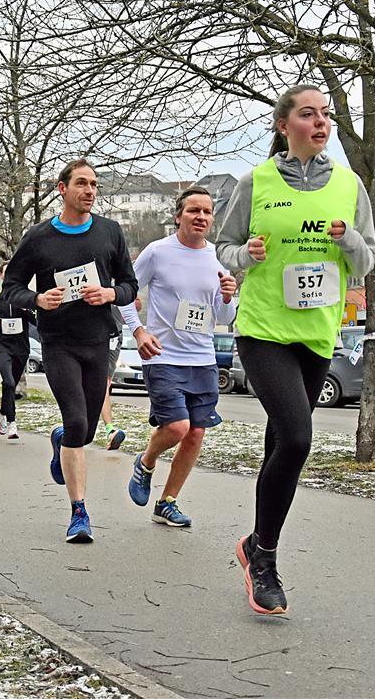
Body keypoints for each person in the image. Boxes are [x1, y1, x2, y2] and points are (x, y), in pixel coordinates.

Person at [217, 84, 375, 614]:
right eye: (309, 115)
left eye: (325, 115)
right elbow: (224, 246)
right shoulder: (254, 182)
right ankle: (264, 558)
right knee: (299, 437)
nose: (321, 123)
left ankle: (252, 542)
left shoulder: (350, 185)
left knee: (279, 445)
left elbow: (366, 262)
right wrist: (246, 254)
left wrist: (348, 239)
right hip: (263, 329)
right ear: (285, 126)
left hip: (316, 333)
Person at [2, 158, 138, 543]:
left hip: (98, 341)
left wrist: (111, 293)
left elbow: (130, 284)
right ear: (62, 189)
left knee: (87, 428)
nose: (90, 190)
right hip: (58, 343)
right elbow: (10, 288)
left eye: (94, 184)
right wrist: (37, 299)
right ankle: (79, 512)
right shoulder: (40, 237)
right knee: (79, 423)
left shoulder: (110, 232)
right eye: (82, 183)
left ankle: (61, 437)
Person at [123, 187, 237, 527]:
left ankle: (167, 501)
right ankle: (145, 462)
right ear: (178, 216)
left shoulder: (216, 257)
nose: (201, 217)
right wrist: (139, 331)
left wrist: (229, 297)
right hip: (163, 356)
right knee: (176, 425)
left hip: (202, 358)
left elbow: (224, 316)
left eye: (207, 211)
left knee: (196, 434)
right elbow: (125, 292)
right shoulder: (157, 252)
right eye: (193, 211)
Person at [0, 260, 33, 440]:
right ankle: (12, 423)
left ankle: (3, 410)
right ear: (1, 275)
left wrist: (29, 311)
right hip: (2, 346)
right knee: (10, 382)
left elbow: (37, 320)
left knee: (10, 385)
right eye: (6, 272)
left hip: (21, 348)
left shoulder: (25, 297)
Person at [97, 305, 127, 449]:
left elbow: (137, 304)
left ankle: (110, 430)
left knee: (103, 383)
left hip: (113, 335)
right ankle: (74, 425)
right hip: (87, 332)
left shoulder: (121, 282)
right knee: (87, 380)